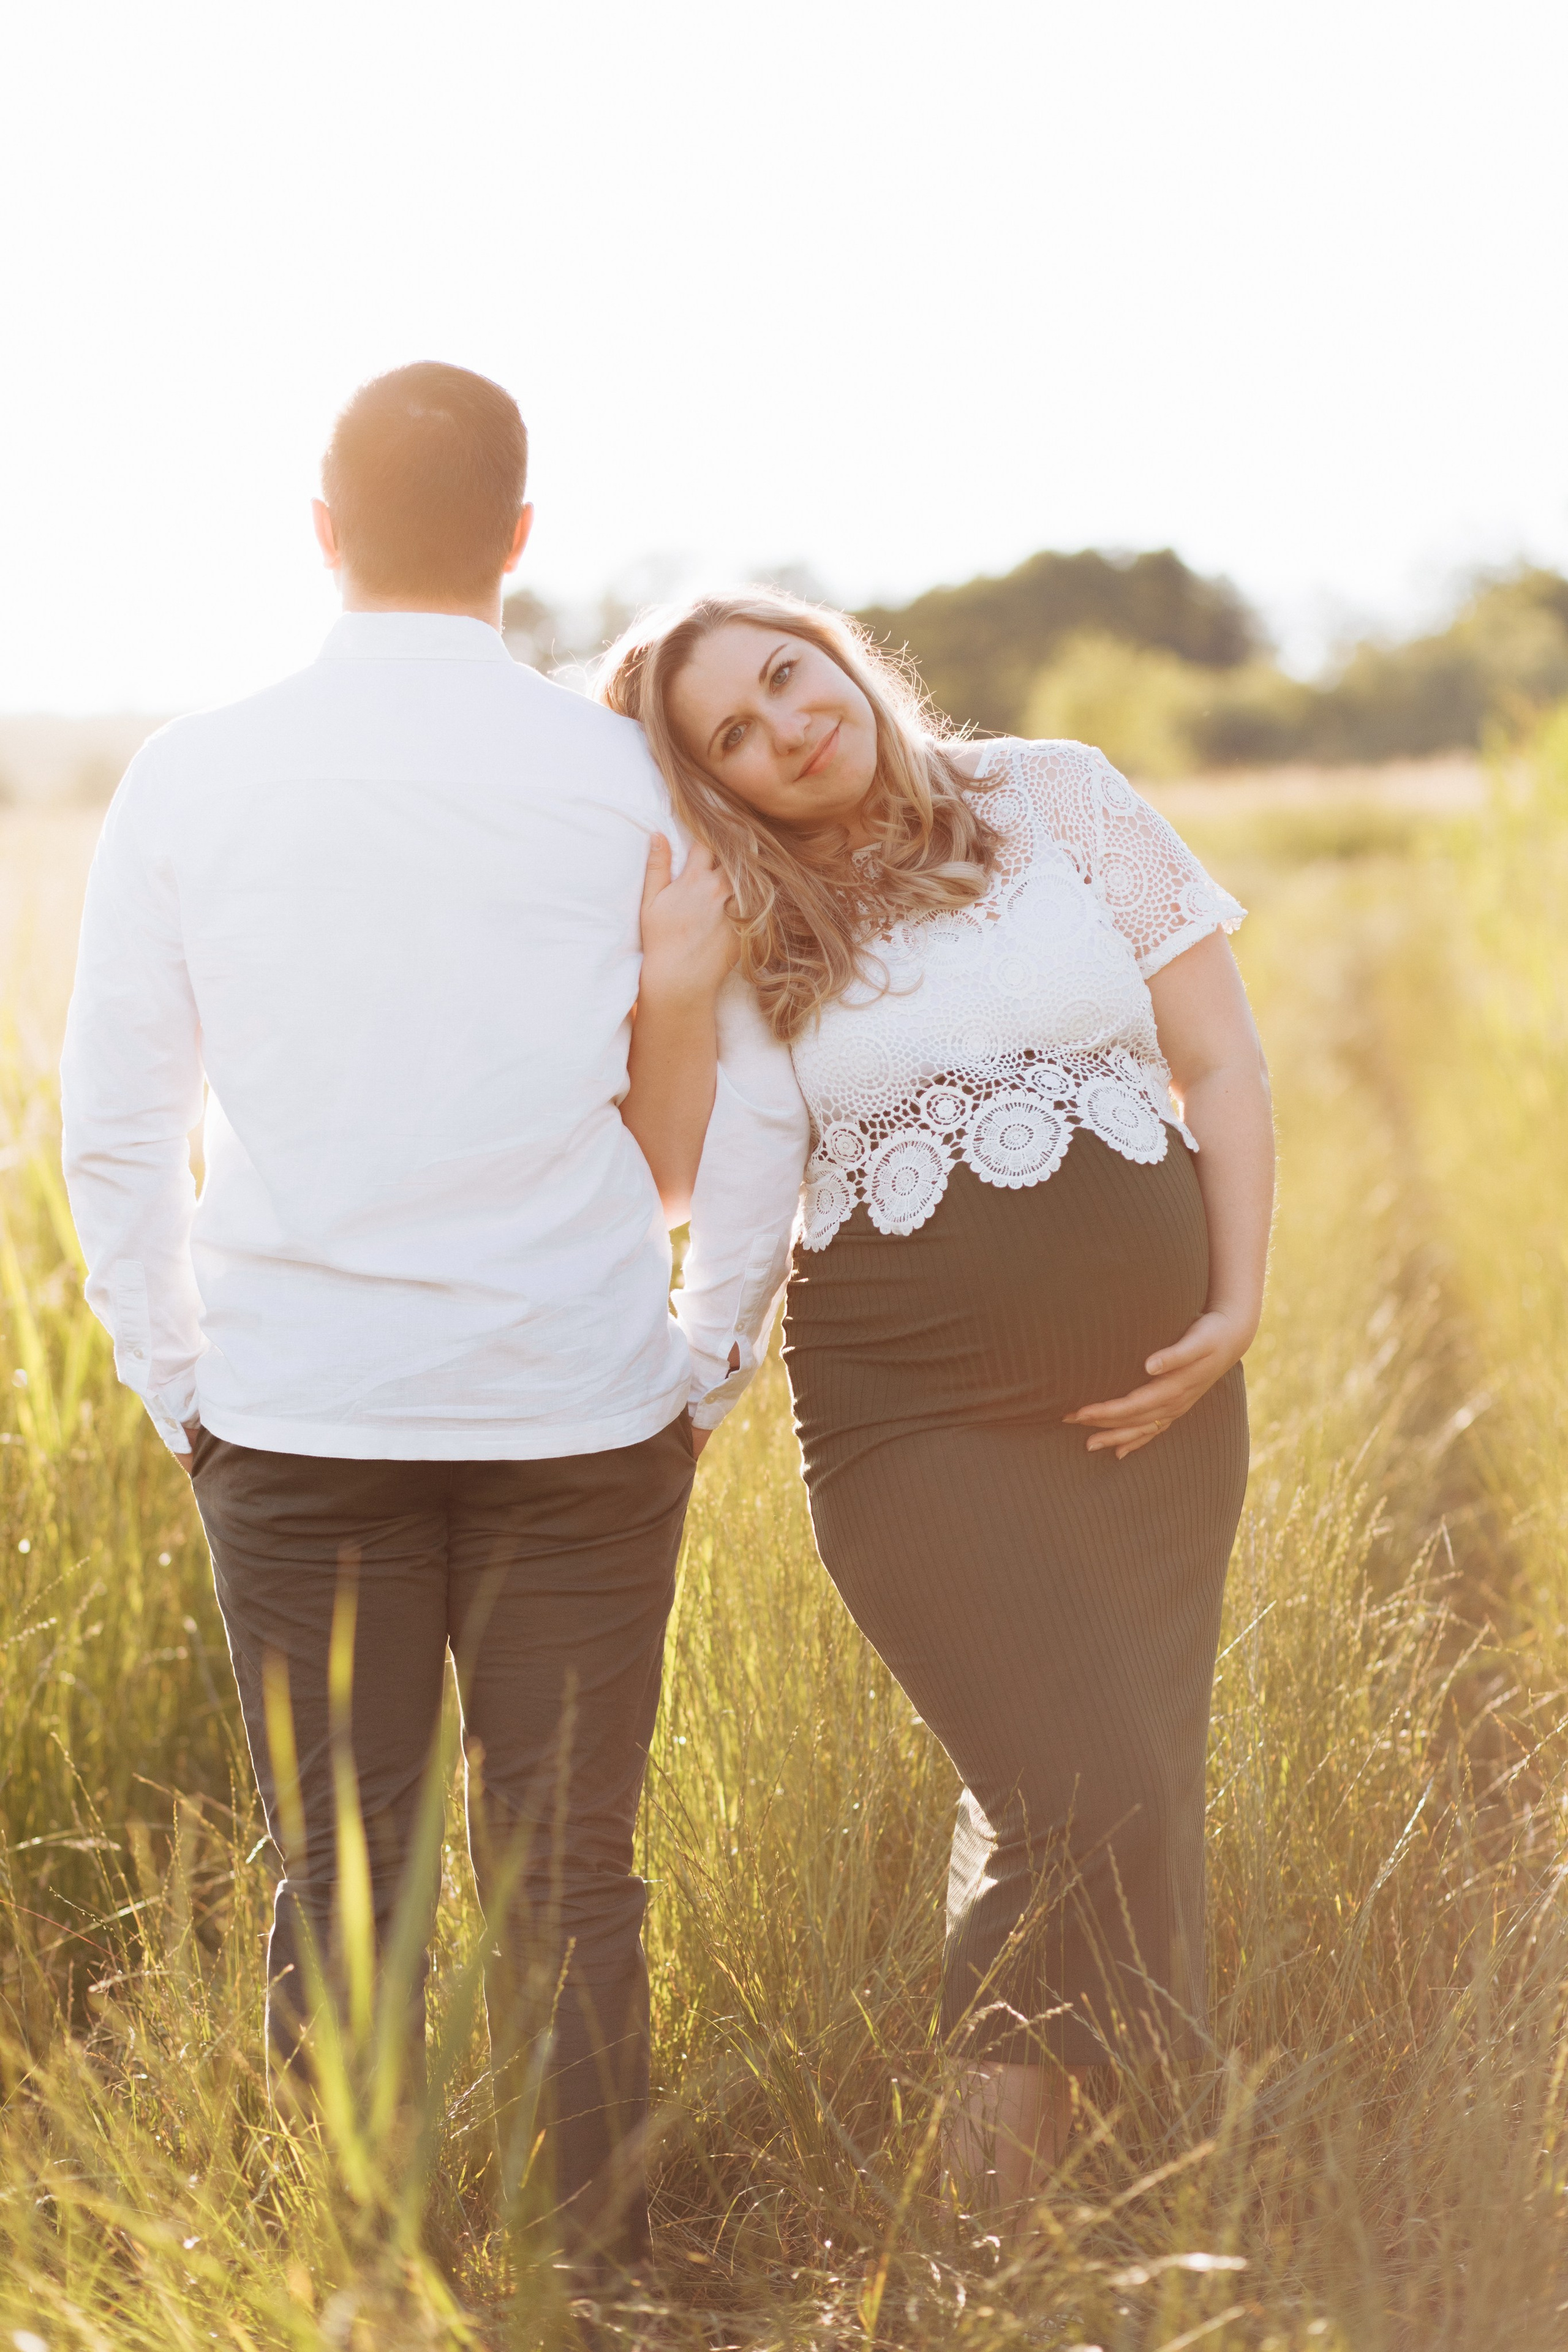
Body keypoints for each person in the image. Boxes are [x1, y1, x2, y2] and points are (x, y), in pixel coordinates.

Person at [58, 369, 805, 2278]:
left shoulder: (188, 775)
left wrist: (179, 1392)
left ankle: (370, 2279)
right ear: (524, 543)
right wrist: (706, 1353)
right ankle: (602, 2279)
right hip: (578, 1406)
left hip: (295, 1419)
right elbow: (746, 1089)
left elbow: (119, 1123)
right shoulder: (622, 775)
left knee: (345, 1882)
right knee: (572, 1874)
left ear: (320, 536)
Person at [599, 589, 1273, 2225]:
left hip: (1163, 1407)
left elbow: (1221, 1062)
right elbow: (737, 1193)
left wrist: (1238, 1302)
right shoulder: (753, 919)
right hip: (917, 1425)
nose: (784, 732)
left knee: (1121, 1793)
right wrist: (681, 1401)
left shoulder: (1063, 796)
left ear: (835, 651)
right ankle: (989, 2235)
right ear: (718, 789)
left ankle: (1111, 2190)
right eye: (732, 742)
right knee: (1081, 1792)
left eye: (783, 679)